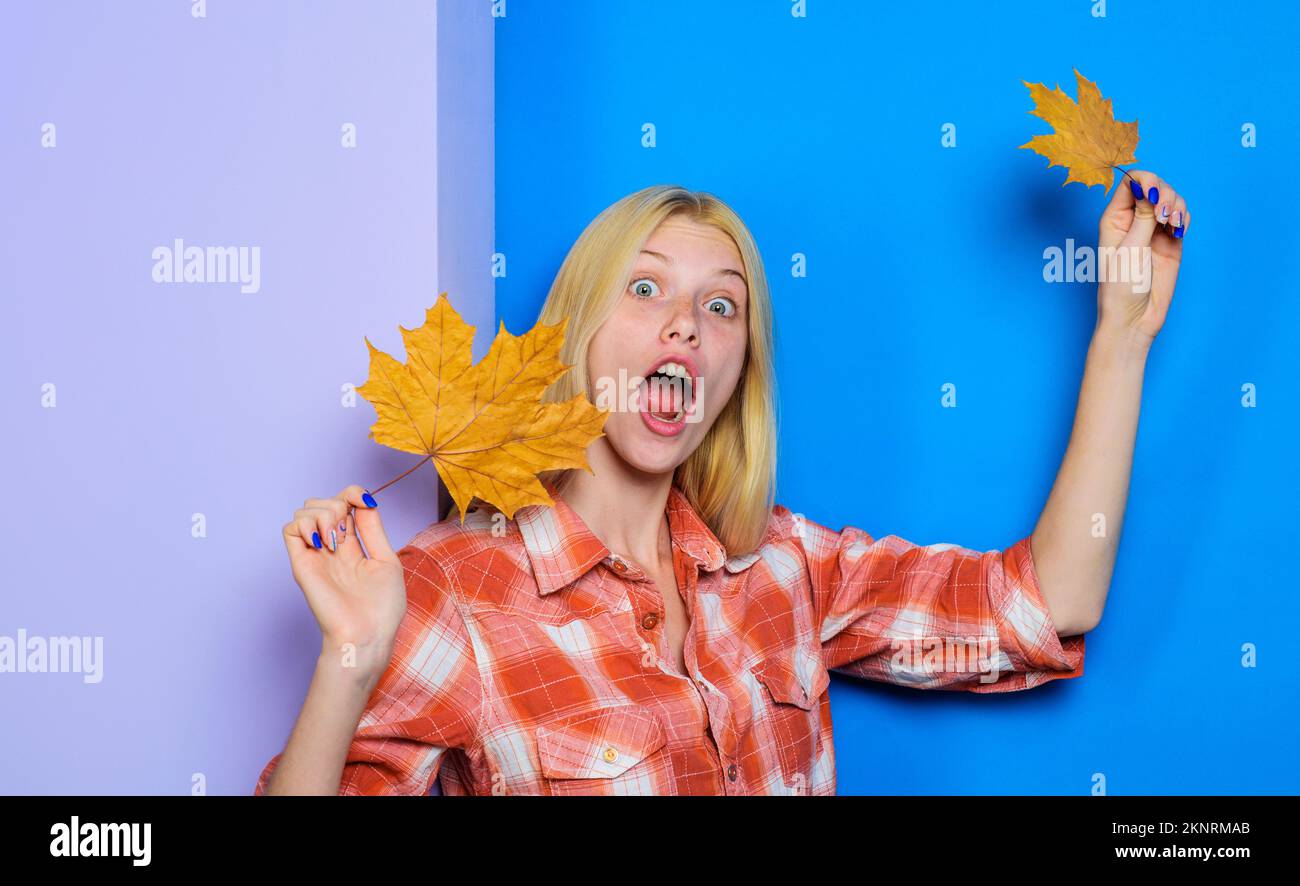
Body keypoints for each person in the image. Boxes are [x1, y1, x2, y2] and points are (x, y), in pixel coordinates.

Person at [255, 178, 1187, 795]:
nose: (686, 328)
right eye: (646, 290)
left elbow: (1052, 599)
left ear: (738, 367)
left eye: (720, 304)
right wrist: (353, 651)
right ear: (575, 331)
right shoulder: (452, 594)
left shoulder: (783, 566)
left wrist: (1122, 336)